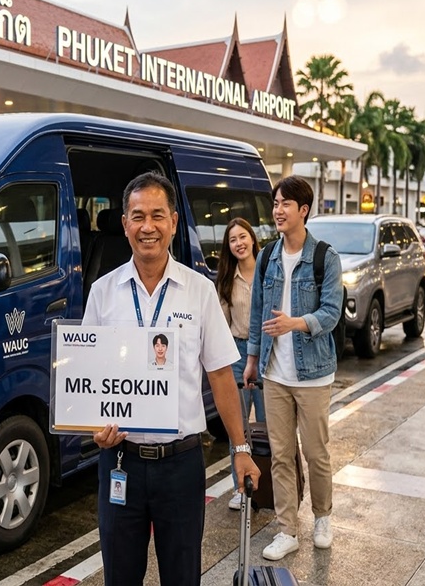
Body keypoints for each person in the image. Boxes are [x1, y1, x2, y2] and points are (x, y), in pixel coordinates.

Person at [85, 172, 260, 586]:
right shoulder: (103, 293)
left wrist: (240, 449)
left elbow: (220, 373)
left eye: (158, 216)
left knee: (182, 576)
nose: (149, 227)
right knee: (120, 576)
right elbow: (89, 373)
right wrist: (94, 428)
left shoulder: (198, 291)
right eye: (138, 216)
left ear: (174, 222)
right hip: (120, 460)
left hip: (180, 465)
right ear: (125, 223)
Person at [243, 176, 342, 561]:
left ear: (304, 210)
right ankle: (287, 529)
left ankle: (322, 517)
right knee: (282, 455)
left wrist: (295, 323)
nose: (278, 210)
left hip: (314, 373)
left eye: (286, 204)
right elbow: (256, 313)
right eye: (275, 203)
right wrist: (252, 359)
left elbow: (331, 313)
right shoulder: (267, 256)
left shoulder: (325, 258)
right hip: (273, 372)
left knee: (316, 453)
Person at [216, 217, 265, 510]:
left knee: (267, 424)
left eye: (243, 236)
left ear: (252, 238)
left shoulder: (267, 271)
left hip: (265, 354)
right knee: (237, 425)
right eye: (233, 240)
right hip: (236, 351)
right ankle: (239, 486)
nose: (239, 243)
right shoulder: (225, 278)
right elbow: (221, 325)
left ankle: (267, 483)